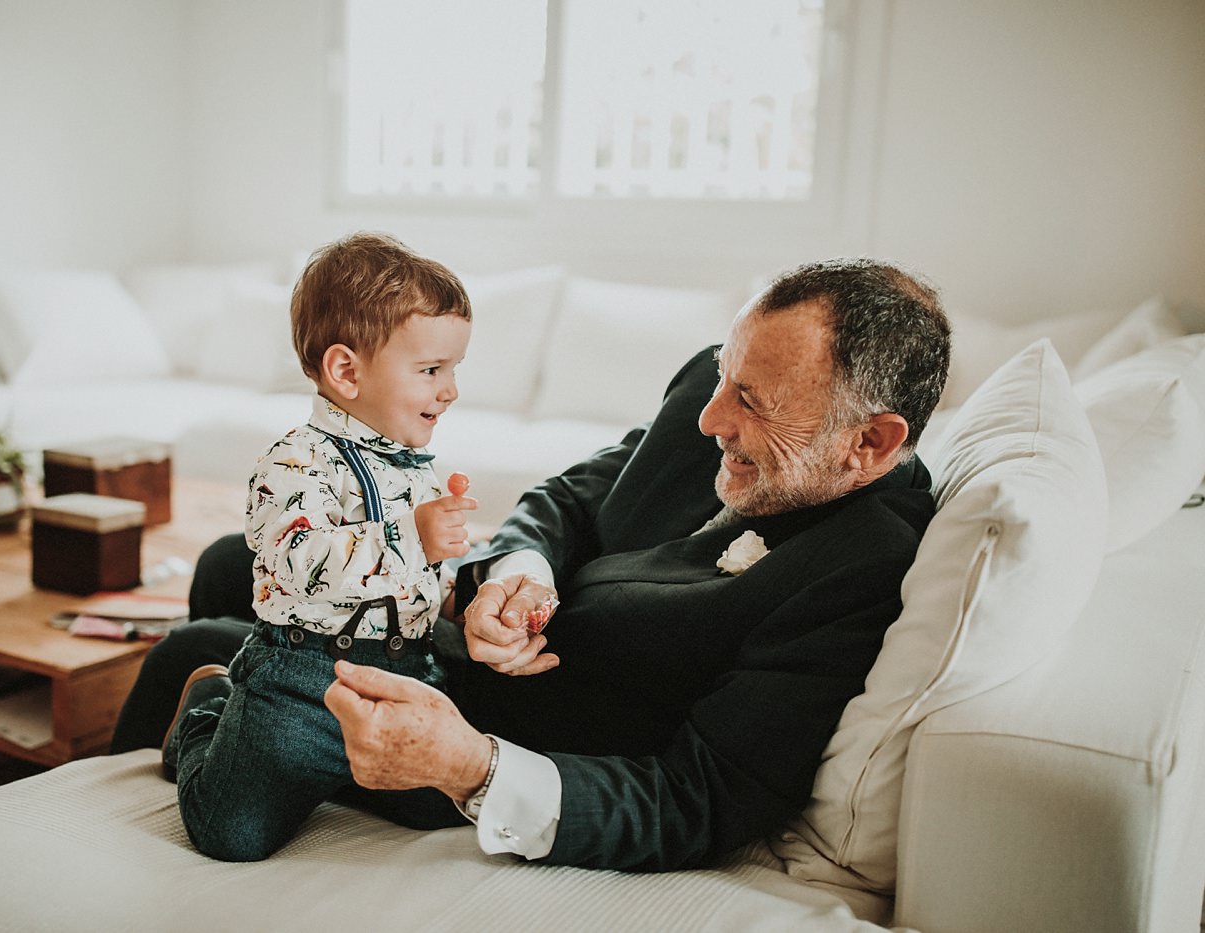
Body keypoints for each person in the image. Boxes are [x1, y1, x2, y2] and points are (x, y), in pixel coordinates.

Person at [113, 257, 952, 872]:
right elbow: (575, 496)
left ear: (868, 442)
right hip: (473, 631)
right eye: (724, 376)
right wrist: (525, 570)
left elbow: (700, 799)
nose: (707, 418)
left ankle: (155, 790)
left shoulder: (863, 569)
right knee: (233, 560)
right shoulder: (722, 387)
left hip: (505, 726)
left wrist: (468, 766)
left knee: (190, 651)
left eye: (749, 403)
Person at [160, 231, 478, 861]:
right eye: (431, 370)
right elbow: (303, 565)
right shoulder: (294, 463)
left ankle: (339, 776)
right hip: (301, 687)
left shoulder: (414, 467)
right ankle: (207, 716)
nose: (451, 390)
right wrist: (413, 537)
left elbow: (417, 577)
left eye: (453, 370)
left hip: (400, 677)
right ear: (345, 371)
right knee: (232, 836)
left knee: (438, 810)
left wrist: (454, 582)